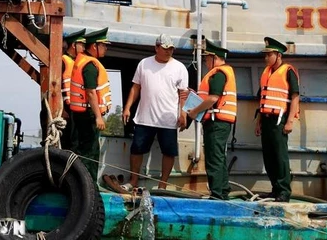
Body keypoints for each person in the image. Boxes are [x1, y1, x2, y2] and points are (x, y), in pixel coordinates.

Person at [121, 34, 189, 191]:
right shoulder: (144, 64)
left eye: (171, 49)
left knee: (169, 151)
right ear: (156, 47)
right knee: (137, 148)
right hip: (145, 117)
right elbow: (136, 87)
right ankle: (133, 181)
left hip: (168, 119)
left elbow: (183, 94)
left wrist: (183, 113)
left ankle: (162, 185)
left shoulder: (179, 68)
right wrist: (127, 107)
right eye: (165, 49)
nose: (168, 52)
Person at [187, 39, 237, 200]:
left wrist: (194, 111)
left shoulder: (218, 74)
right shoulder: (223, 72)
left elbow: (213, 98)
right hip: (219, 121)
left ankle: (217, 193)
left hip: (217, 122)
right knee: (218, 156)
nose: (206, 61)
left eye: (207, 58)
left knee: (214, 158)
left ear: (214, 58)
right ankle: (222, 190)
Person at [255, 37, 300, 203]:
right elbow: (262, 99)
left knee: (280, 156)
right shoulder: (266, 73)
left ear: (278, 55)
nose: (265, 58)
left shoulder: (288, 71)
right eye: (265, 55)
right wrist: (258, 121)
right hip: (266, 119)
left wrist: (290, 121)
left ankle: (284, 191)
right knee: (269, 156)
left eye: (269, 55)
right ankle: (275, 189)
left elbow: (295, 96)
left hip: (279, 120)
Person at [70, 27, 112, 182]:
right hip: (87, 115)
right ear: (94, 46)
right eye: (104, 45)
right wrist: (98, 117)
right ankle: (89, 186)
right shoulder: (89, 65)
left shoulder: (82, 61)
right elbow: (90, 92)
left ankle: (80, 183)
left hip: (80, 114)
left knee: (82, 151)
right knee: (90, 153)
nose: (106, 48)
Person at [60, 28, 86, 150]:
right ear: (74, 45)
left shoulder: (75, 62)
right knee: (67, 143)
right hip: (66, 110)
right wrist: (61, 110)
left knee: (75, 142)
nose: (83, 49)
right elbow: (56, 86)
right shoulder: (63, 61)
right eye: (81, 45)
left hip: (74, 109)